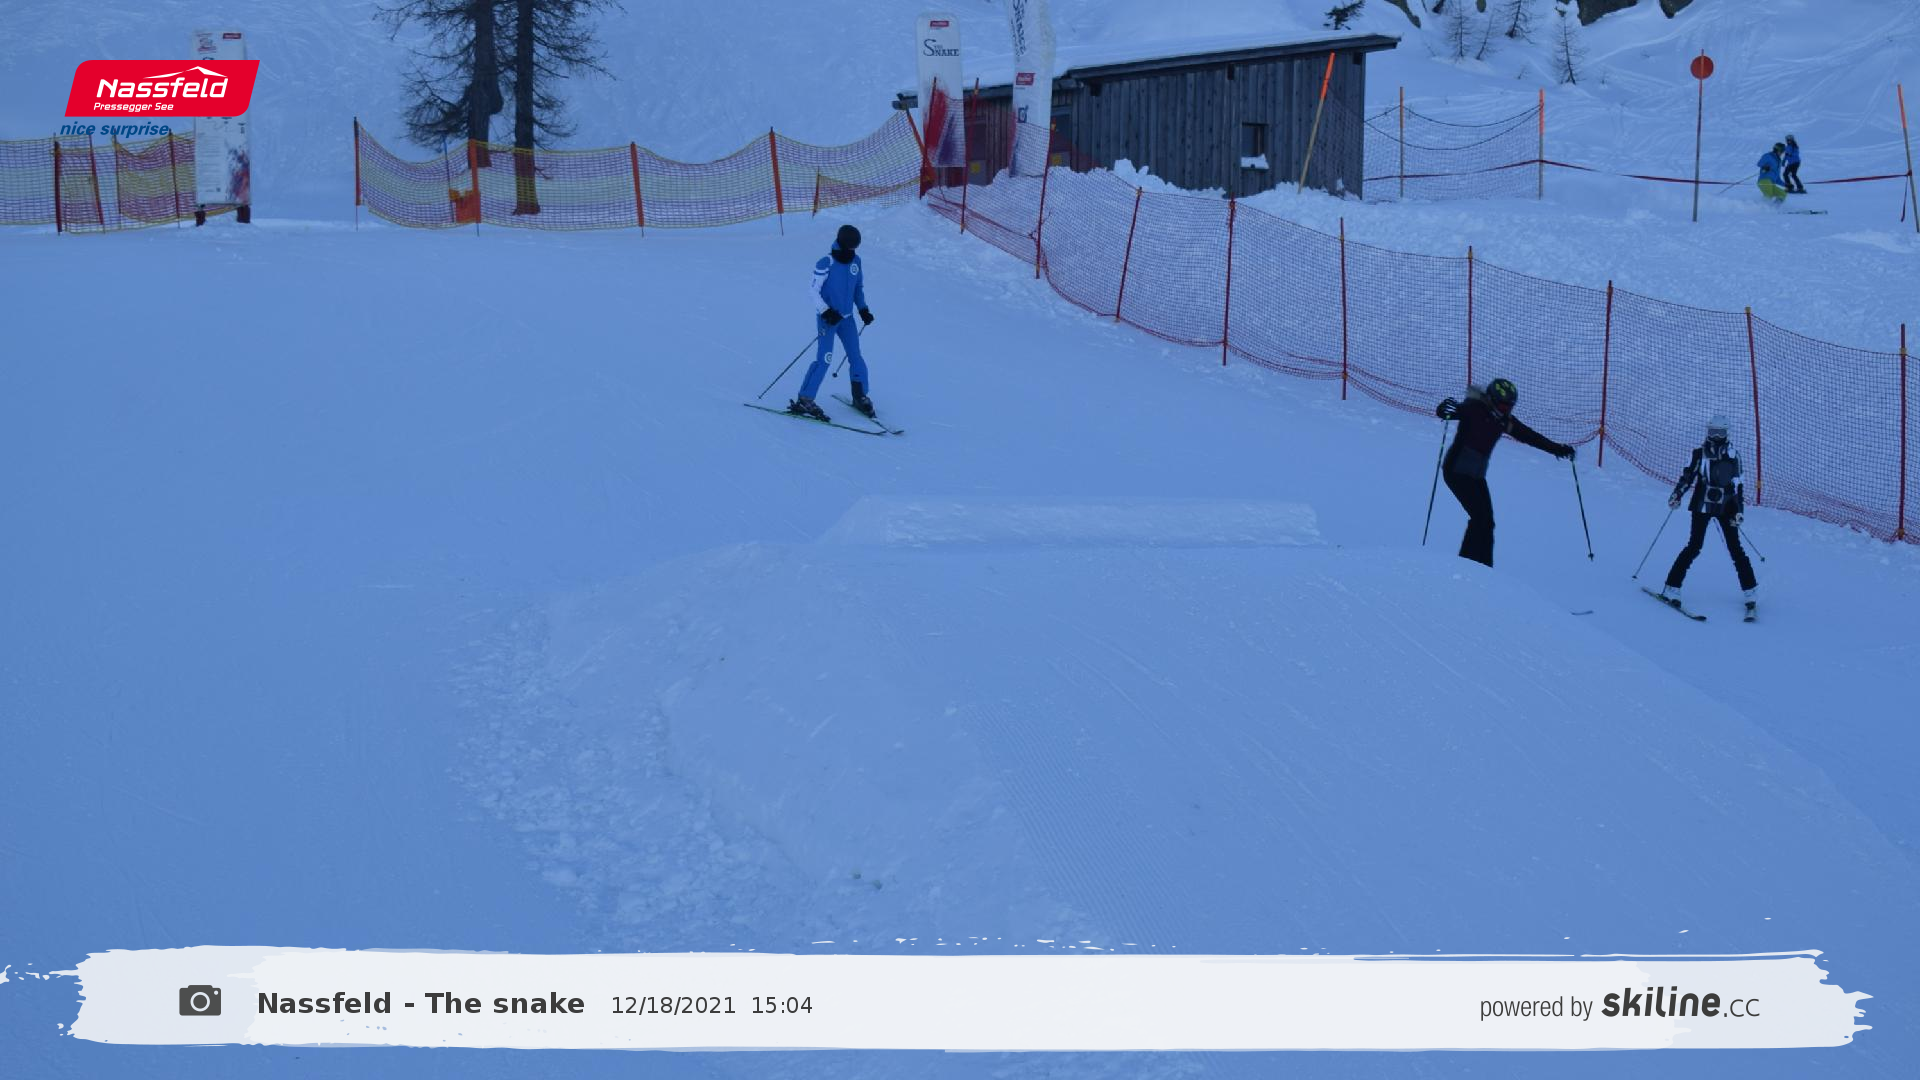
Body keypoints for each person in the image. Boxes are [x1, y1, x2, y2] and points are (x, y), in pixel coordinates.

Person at [1434, 379, 1576, 568]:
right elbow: (1449, 412)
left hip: (1476, 476)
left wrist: (1557, 449)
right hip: (1456, 472)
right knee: (1480, 519)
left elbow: (1530, 436)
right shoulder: (1474, 409)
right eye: (1502, 405)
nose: (1506, 410)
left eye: (1509, 406)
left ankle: (1484, 568)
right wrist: (1444, 409)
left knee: (1488, 522)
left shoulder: (1504, 420)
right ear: (1491, 399)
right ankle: (1467, 566)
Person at [1658, 415, 1759, 617]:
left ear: (1727, 433)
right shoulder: (1699, 453)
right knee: (1694, 546)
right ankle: (1672, 586)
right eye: (1713, 432)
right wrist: (1677, 494)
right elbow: (1688, 476)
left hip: (1726, 506)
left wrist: (1739, 511)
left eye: (1720, 433)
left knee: (1735, 549)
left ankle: (1750, 592)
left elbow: (1738, 484)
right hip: (1702, 504)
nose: (1716, 436)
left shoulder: (1733, 456)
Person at [788, 223, 876, 421]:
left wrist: (863, 309)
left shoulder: (856, 262)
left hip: (847, 319)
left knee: (856, 356)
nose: (852, 251)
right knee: (825, 359)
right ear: (843, 243)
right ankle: (805, 398)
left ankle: (860, 396)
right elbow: (813, 291)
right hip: (828, 319)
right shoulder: (826, 262)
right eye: (850, 247)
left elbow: (857, 288)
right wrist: (825, 311)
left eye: (855, 248)